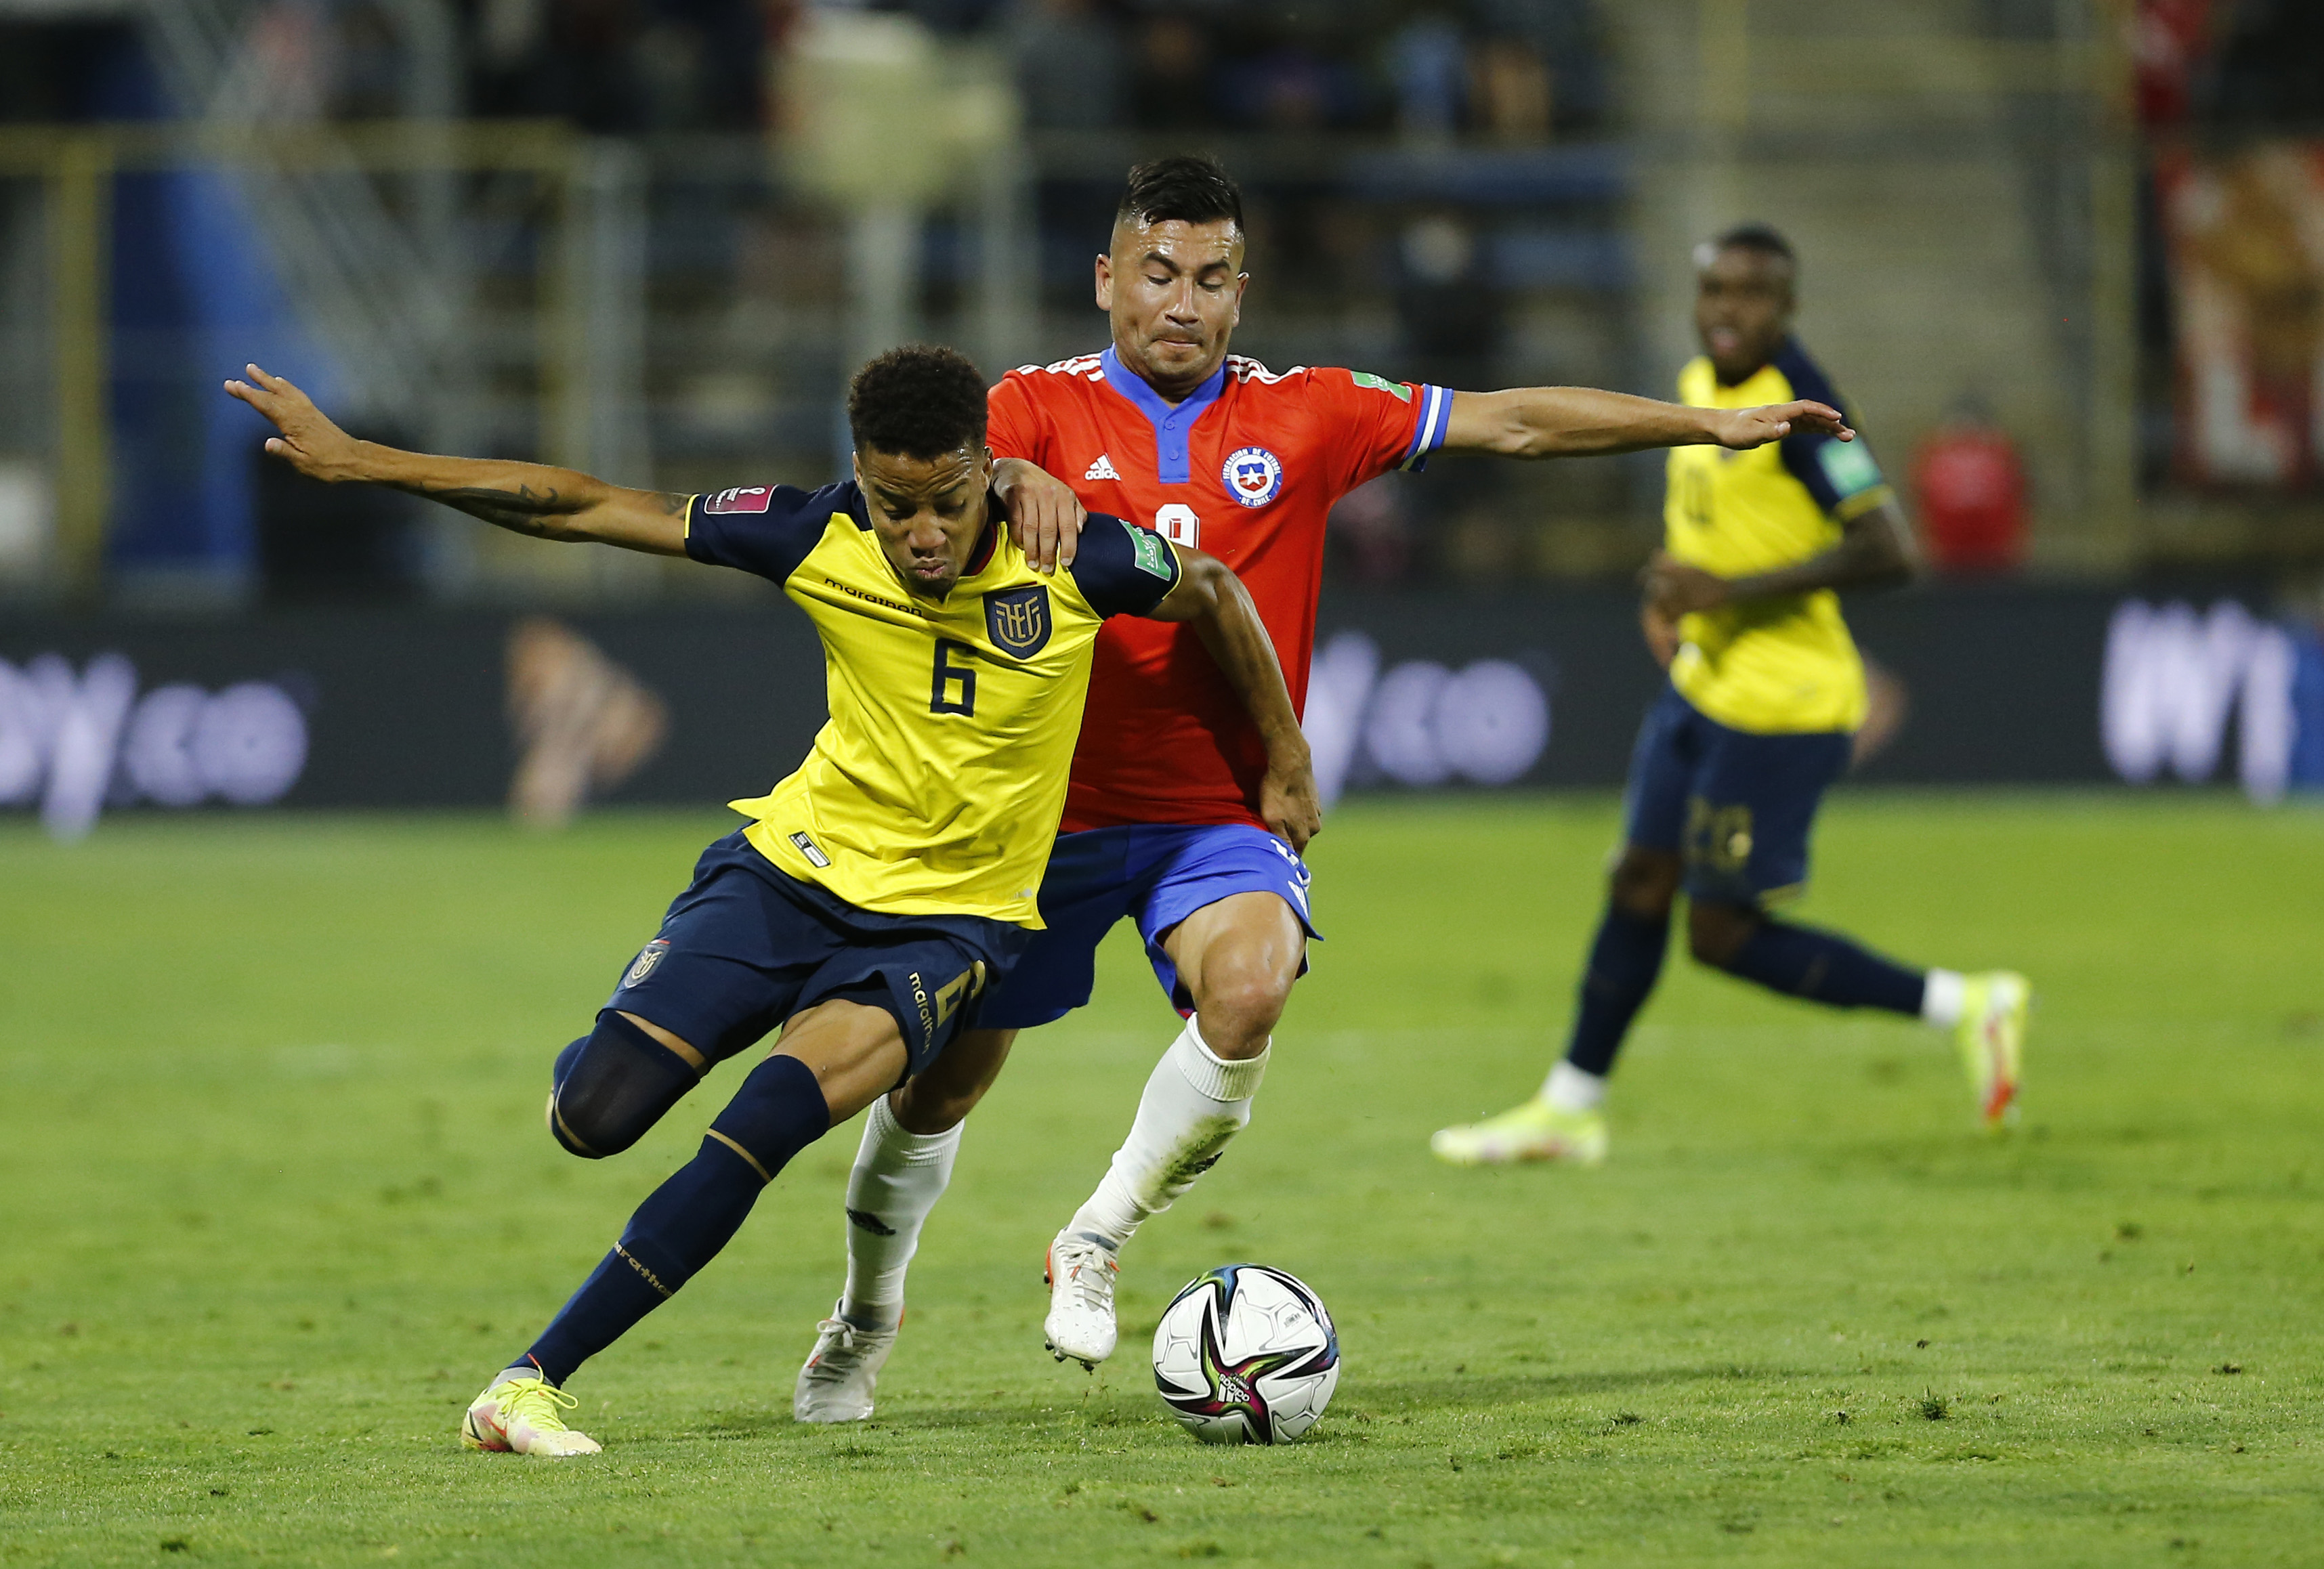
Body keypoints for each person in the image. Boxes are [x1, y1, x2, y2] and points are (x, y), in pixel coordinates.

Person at [793, 158, 1859, 1420]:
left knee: (1252, 987)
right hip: (1040, 812)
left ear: (1242, 292)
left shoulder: (1310, 412)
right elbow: (942, 477)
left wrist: (1710, 425)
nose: (1180, 303)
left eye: (1209, 279)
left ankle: (1094, 1235)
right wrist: (1019, 477)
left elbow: (1512, 420)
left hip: (1220, 813)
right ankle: (864, 1317)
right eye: (1155, 273)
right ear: (1106, 280)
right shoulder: (1030, 406)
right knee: (941, 1086)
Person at [224, 344, 1316, 1455]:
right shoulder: (817, 534)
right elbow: (584, 507)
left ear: (991, 471)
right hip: (788, 873)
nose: (922, 535)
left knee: (765, 1124)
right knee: (592, 1117)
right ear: (860, 477)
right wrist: (365, 461)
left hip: (946, 930)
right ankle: (641, 1032)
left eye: (945, 503)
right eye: (896, 508)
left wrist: (1284, 755)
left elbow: (1218, 590)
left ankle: (528, 1381)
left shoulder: (1076, 556)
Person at [1430, 224, 2030, 1170]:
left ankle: (1969, 1004)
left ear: (1787, 309)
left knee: (1721, 933)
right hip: (1703, 686)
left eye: (1750, 294)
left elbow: (1889, 549)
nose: (1726, 310)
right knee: (1636, 878)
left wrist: (1729, 595)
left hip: (1781, 708)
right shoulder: (1703, 385)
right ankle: (1570, 1108)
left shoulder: (1808, 413)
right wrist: (1672, 591)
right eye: (1714, 290)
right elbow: (1709, 526)